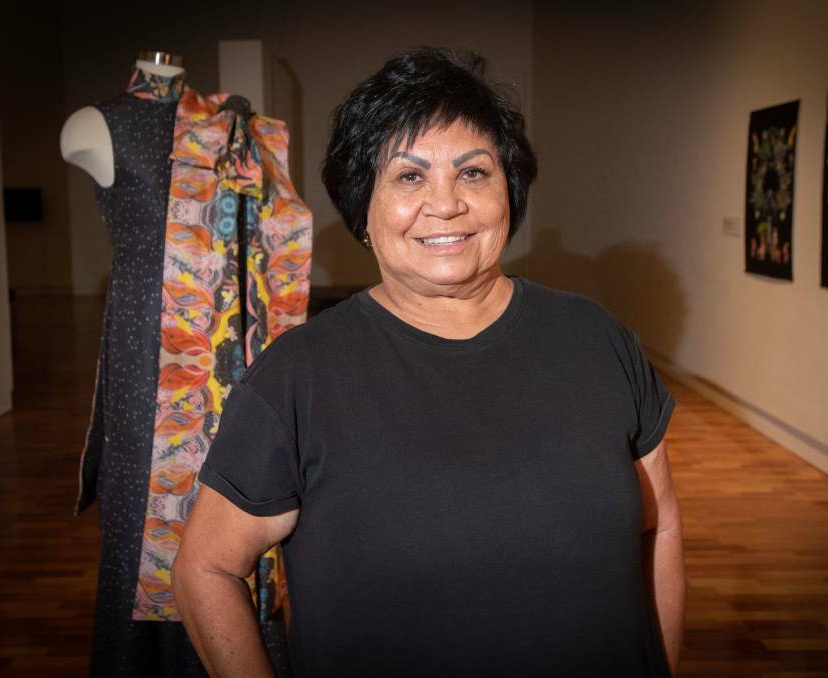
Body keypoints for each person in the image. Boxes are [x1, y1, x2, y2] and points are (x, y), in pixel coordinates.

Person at [173, 47, 685, 678]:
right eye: (409, 176)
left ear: (509, 192)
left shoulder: (597, 338)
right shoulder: (297, 377)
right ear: (365, 206)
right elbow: (206, 567)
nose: (445, 204)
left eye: (473, 172)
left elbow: (656, 528)